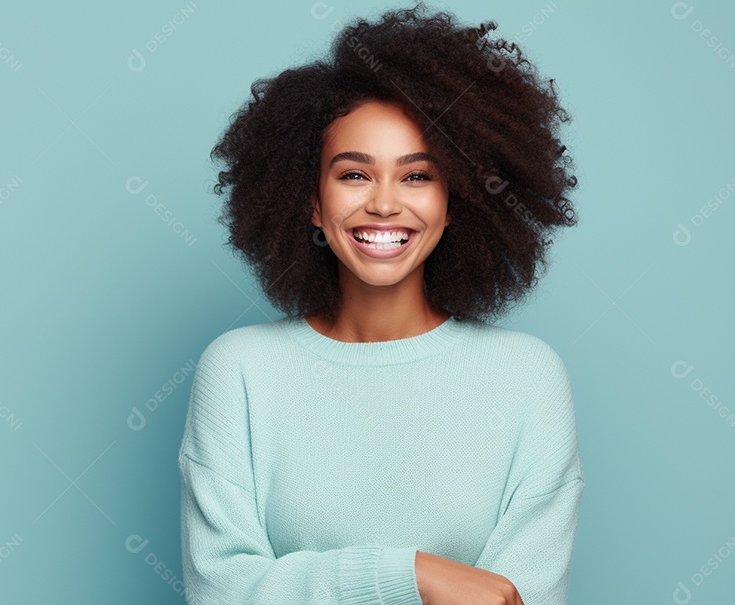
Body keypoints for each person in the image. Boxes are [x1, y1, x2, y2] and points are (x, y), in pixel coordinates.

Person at [178, 3, 583, 604]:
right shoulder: (240, 371)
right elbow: (224, 593)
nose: (385, 204)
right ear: (312, 201)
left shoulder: (528, 378)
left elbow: (514, 599)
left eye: (417, 176)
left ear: (456, 199)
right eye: (354, 175)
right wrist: (410, 575)